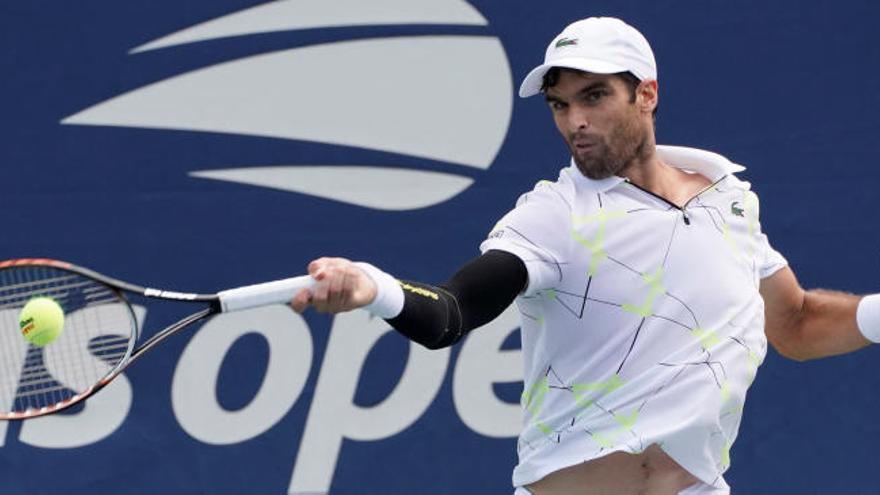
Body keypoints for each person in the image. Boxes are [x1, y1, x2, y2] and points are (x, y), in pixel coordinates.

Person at [290, 17, 879, 495]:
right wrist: (373, 289)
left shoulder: (726, 198)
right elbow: (452, 310)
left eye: (594, 96)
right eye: (559, 104)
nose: (576, 122)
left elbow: (796, 323)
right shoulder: (553, 216)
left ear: (645, 94)